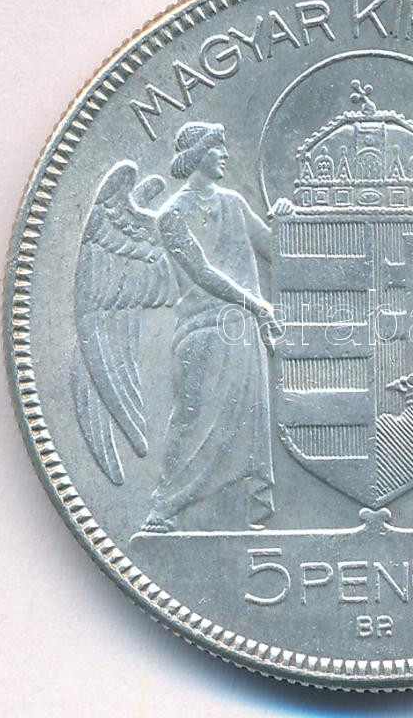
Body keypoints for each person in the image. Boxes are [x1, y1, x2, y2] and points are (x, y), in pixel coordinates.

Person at [142, 121, 283, 532]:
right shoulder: (171, 215)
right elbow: (201, 272)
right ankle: (164, 505)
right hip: (202, 332)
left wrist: (290, 220)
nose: (225, 155)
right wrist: (257, 304)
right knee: (192, 418)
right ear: (198, 154)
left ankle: (233, 513)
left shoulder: (235, 203)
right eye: (217, 148)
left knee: (243, 425)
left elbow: (275, 249)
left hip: (242, 333)